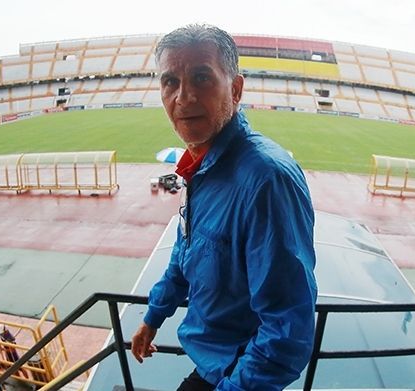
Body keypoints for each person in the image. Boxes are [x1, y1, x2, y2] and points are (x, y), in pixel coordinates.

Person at [131, 25, 317, 391]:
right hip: (211, 363)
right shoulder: (199, 167)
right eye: (170, 81)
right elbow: (186, 251)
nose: (183, 97)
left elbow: (287, 334)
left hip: (234, 374)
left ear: (235, 88)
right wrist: (153, 316)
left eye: (201, 77)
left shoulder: (267, 180)